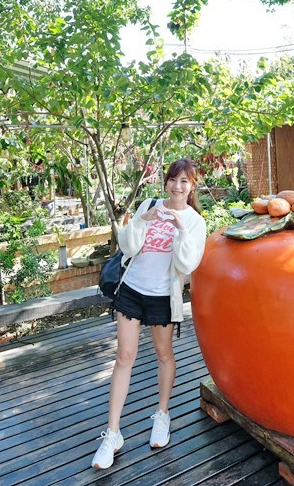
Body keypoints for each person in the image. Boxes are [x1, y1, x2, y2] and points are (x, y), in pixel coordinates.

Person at [91, 158, 207, 470]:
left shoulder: (196, 222)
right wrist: (143, 220)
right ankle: (112, 433)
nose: (177, 186)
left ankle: (162, 414)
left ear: (192, 186)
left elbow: (187, 265)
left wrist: (181, 230)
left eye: (185, 181)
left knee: (163, 354)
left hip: (162, 298)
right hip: (132, 290)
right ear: (166, 182)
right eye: (173, 179)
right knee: (123, 358)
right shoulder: (149, 204)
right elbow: (128, 247)